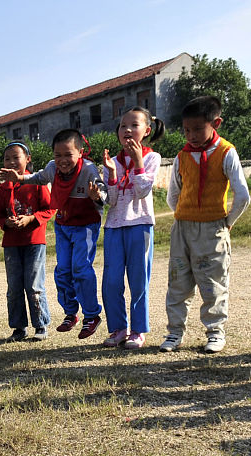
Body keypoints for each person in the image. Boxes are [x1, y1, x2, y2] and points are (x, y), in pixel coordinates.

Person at [162, 96, 251, 353]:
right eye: (186, 130)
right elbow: (173, 196)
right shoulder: (182, 156)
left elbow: (242, 195)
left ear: (216, 123)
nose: (191, 135)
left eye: (198, 129)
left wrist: (227, 222)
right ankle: (174, 333)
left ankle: (215, 333)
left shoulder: (226, 152)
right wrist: (184, 215)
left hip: (213, 227)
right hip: (183, 228)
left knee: (213, 282)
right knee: (178, 281)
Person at [0, 129, 107, 339]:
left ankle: (92, 315)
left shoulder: (88, 169)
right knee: (62, 270)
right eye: (58, 155)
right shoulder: (52, 168)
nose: (63, 160)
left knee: (80, 268)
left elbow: (102, 190)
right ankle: (70, 312)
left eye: (68, 155)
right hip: (63, 224)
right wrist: (19, 178)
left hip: (85, 225)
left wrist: (96, 196)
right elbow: (39, 178)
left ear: (80, 152)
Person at [101, 107, 165, 350]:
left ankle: (138, 331)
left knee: (139, 280)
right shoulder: (113, 161)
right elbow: (112, 200)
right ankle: (118, 329)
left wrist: (137, 162)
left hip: (140, 225)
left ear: (146, 131)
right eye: (122, 125)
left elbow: (142, 191)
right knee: (112, 281)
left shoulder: (152, 157)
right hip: (114, 226)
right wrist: (111, 174)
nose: (126, 130)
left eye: (133, 125)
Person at [0, 142, 53, 341]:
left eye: (16, 157)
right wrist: (8, 223)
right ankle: (18, 328)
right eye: (7, 158)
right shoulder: (2, 189)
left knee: (34, 285)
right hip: (11, 244)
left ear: (27, 159)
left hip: (34, 242)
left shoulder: (37, 183)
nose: (11, 162)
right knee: (14, 288)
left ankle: (41, 326)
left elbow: (49, 208)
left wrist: (30, 219)